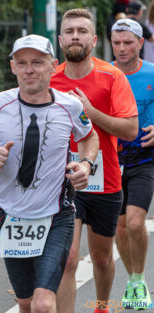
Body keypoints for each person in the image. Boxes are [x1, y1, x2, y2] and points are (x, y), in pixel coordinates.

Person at [0, 34, 99, 313]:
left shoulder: (70, 106)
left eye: (37, 63)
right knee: (26, 304)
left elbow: (90, 137)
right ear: (13, 67)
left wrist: (87, 165)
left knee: (43, 304)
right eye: (22, 63)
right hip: (11, 217)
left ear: (53, 65)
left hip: (56, 217)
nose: (29, 69)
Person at [50, 8, 139, 313]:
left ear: (94, 39)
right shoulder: (50, 80)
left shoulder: (111, 76)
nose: (76, 36)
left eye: (82, 31)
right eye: (70, 31)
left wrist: (89, 111)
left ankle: (101, 306)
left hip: (105, 180)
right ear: (61, 40)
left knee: (101, 258)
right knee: (69, 259)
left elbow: (130, 129)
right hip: (64, 182)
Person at [111, 18, 154, 310]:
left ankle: (139, 279)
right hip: (111, 160)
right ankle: (132, 278)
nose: (122, 48)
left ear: (141, 43)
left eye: (129, 42)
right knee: (121, 227)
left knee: (136, 222)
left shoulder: (152, 73)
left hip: (145, 158)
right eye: (117, 43)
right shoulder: (105, 74)